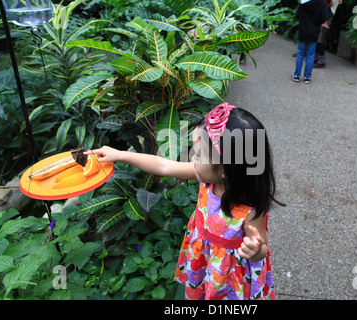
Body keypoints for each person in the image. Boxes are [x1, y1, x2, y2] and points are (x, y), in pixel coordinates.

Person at [86, 102, 284, 300]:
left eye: (198, 154)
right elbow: (163, 165)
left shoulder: (249, 209)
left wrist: (255, 250)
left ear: (224, 169)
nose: (192, 158)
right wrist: (120, 155)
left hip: (230, 280)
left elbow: (262, 249)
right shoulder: (206, 177)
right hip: (203, 262)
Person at [292, 0, 329, 84]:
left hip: (303, 30)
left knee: (300, 53)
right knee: (310, 55)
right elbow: (323, 18)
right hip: (314, 31)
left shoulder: (303, 1)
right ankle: (307, 77)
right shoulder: (322, 2)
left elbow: (297, 15)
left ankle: (296, 75)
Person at [314, 0, 343, 68]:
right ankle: (316, 58)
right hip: (324, 13)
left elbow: (331, 4)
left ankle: (321, 61)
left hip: (327, 15)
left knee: (319, 39)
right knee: (317, 38)